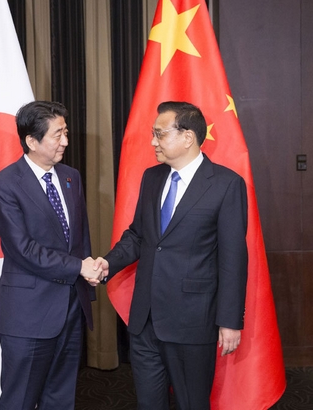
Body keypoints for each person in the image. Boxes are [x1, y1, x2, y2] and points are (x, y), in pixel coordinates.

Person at [96, 101, 248, 410]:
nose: (153, 141)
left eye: (160, 134)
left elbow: (233, 259)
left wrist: (230, 322)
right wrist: (107, 263)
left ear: (188, 137)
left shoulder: (226, 184)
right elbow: (139, 235)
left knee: (192, 403)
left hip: (192, 321)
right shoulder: (152, 178)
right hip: (145, 320)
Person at [0, 100, 103, 410]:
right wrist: (79, 267)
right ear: (31, 141)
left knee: (61, 398)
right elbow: (22, 249)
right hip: (29, 313)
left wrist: (88, 275)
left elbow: (79, 237)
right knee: (20, 400)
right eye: (57, 134)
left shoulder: (71, 177)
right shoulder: (4, 184)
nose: (65, 141)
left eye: (66, 132)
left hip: (71, 308)